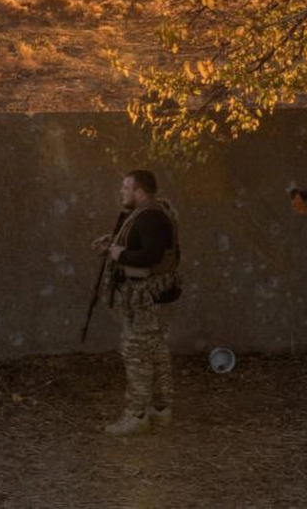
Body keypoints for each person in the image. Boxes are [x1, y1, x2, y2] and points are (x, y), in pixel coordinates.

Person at [92, 169, 181, 436]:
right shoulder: (154, 213)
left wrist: (119, 254)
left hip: (146, 300)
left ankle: (137, 416)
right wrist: (114, 245)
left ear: (139, 191)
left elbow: (151, 256)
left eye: (125, 187)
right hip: (157, 298)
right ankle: (162, 410)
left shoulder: (149, 216)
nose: (122, 191)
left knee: (137, 355)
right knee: (155, 351)